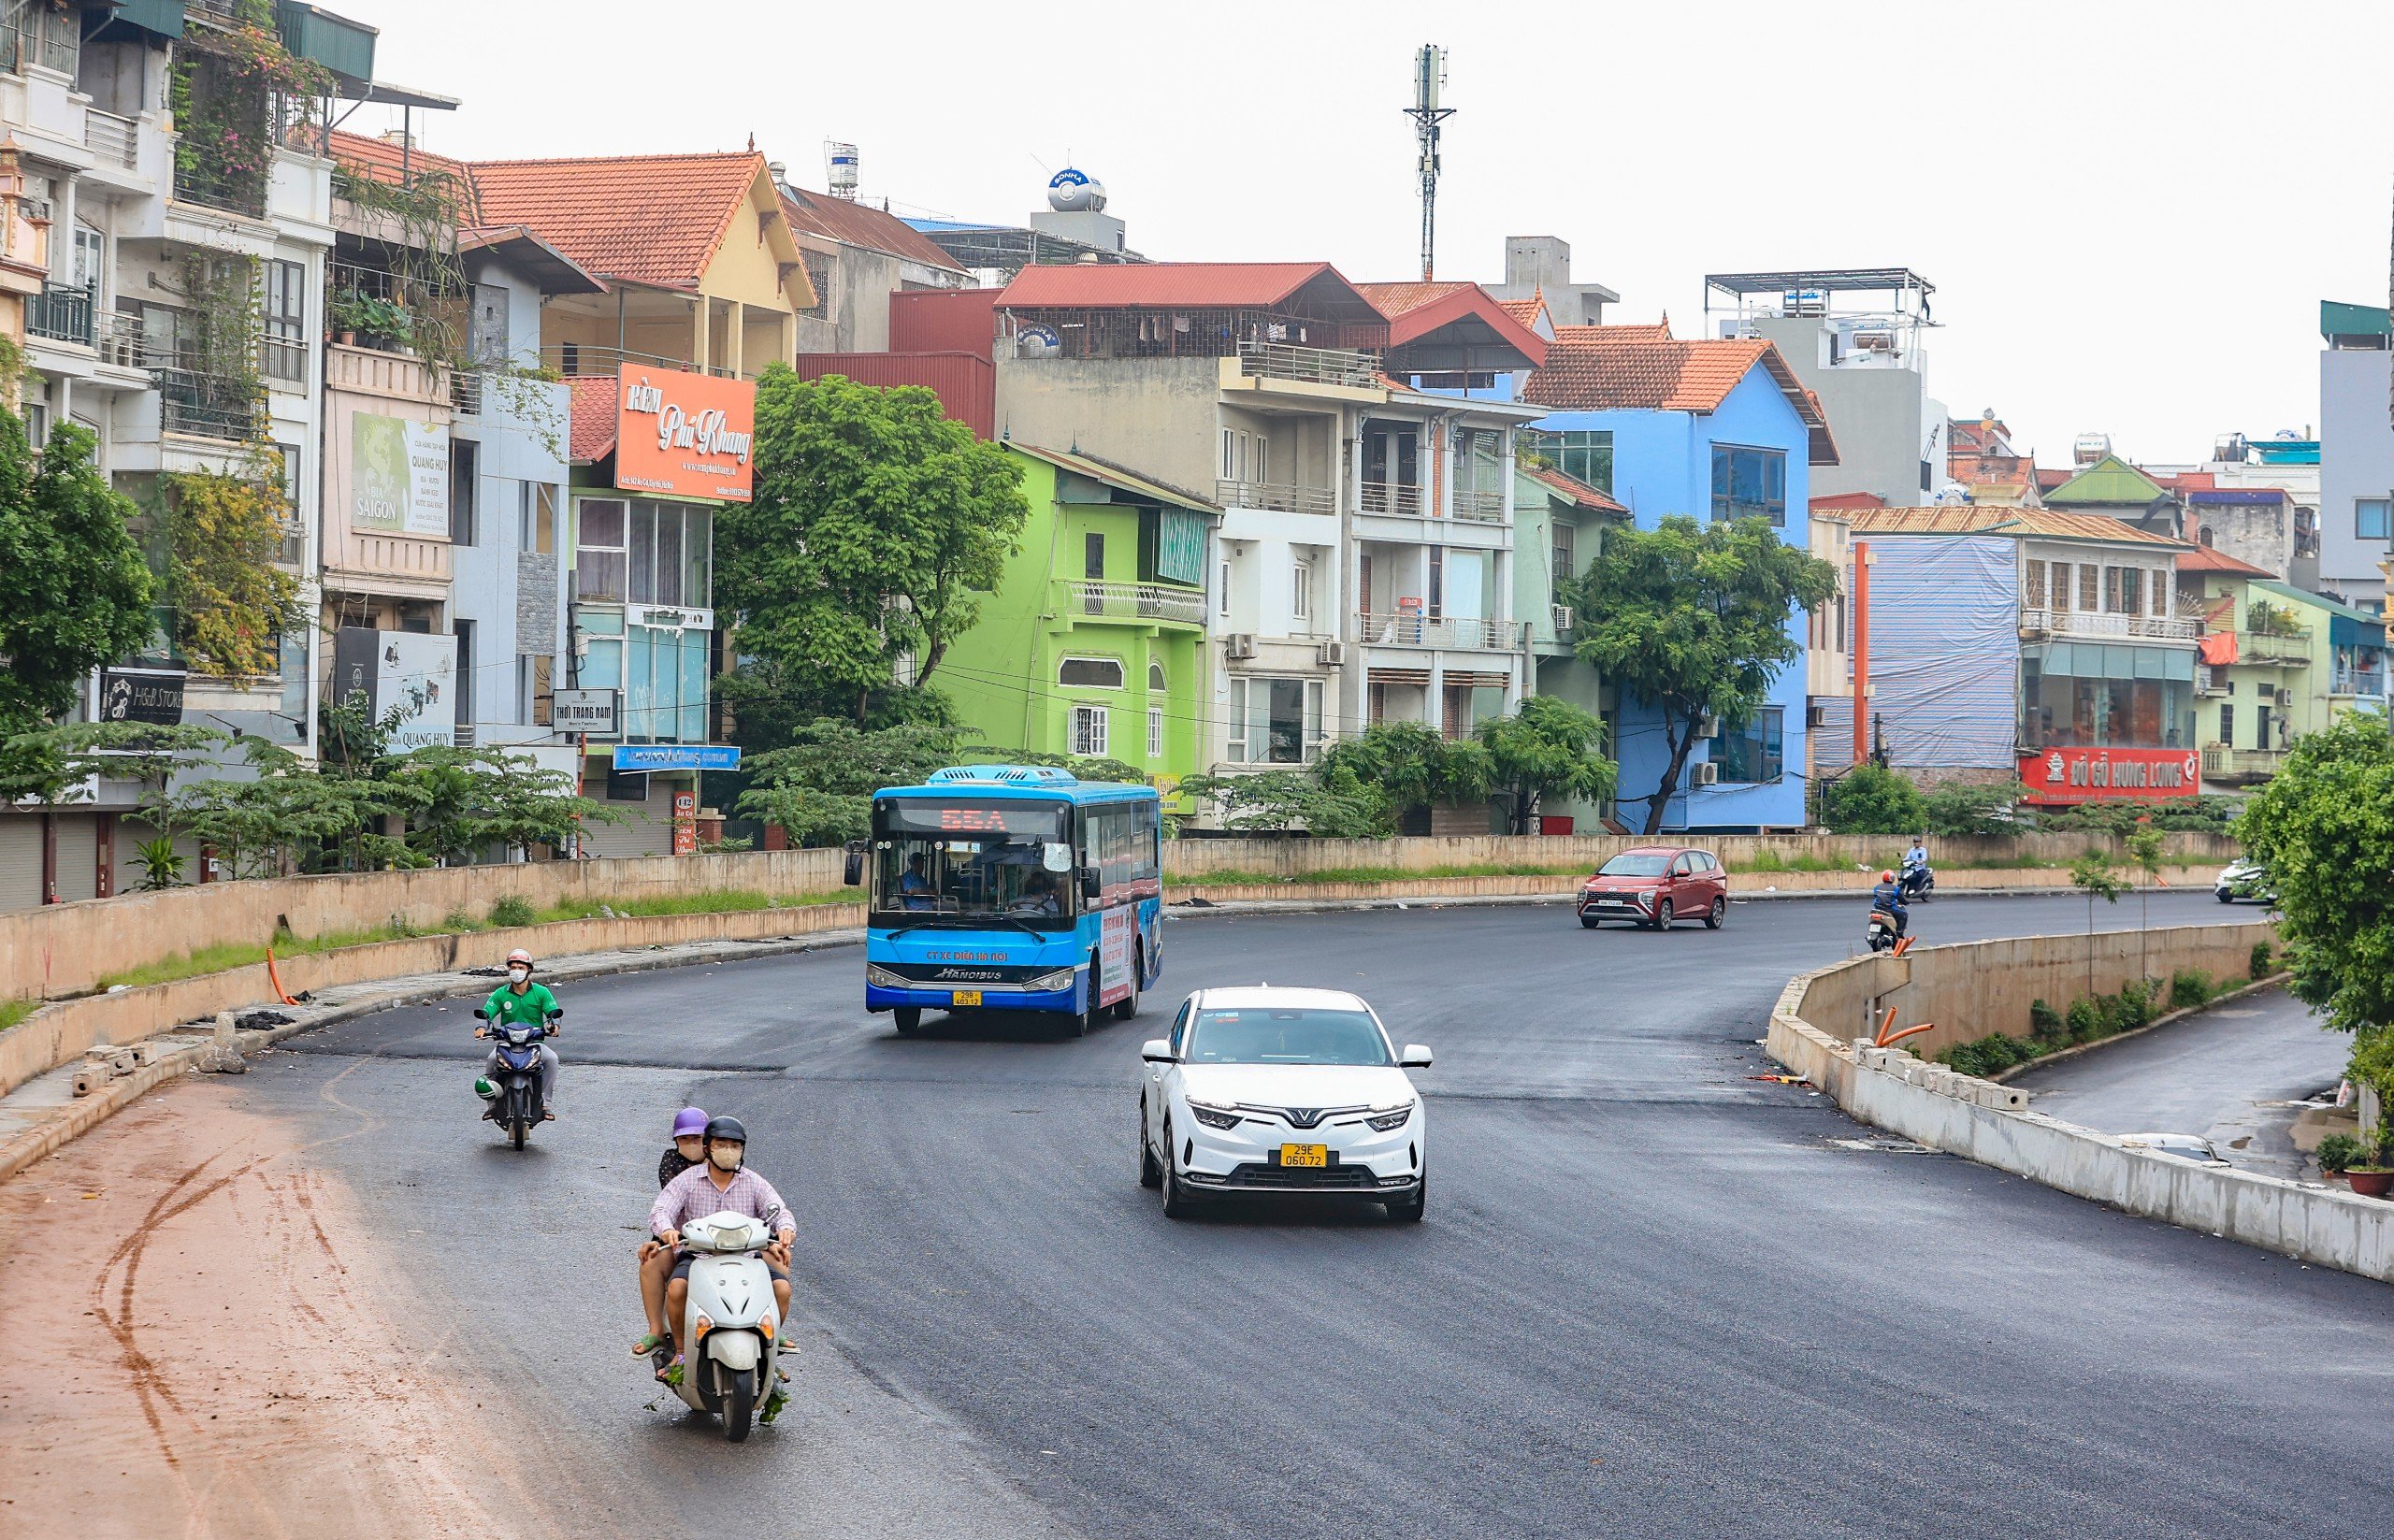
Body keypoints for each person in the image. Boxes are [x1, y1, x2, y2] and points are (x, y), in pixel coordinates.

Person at [647, 1115, 797, 1378]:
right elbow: (662, 1209)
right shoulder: (688, 1180)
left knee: (781, 1289)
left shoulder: (753, 1182)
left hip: (747, 1260)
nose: (729, 1151)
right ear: (708, 1147)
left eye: (735, 1145)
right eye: (721, 1144)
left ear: (742, 1150)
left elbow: (779, 1210)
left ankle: (767, 1350)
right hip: (699, 1258)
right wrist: (668, 1229)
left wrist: (785, 1229)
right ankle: (681, 1353)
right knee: (677, 1288)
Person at [632, 1108, 710, 1360]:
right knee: (651, 1262)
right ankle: (657, 1330)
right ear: (676, 1141)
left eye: (697, 1139)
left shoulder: (729, 1164)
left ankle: (770, 1343)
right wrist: (664, 1233)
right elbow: (669, 1204)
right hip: (683, 1238)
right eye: (685, 1139)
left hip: (727, 1242)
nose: (691, 1144)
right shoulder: (674, 1166)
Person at [476, 947, 560, 1118]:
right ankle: (492, 1105)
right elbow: (487, 1012)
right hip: (507, 1042)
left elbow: (553, 1011)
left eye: (521, 968)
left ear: (529, 969)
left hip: (534, 1043)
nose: (516, 971)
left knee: (552, 1059)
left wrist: (554, 1025)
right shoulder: (501, 994)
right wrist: (481, 1028)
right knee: (492, 1060)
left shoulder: (541, 992)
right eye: (513, 967)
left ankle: (545, 1104)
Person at [1870, 868, 1910, 939]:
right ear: (1892, 878)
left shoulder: (1876, 887)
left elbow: (1875, 895)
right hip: (1889, 909)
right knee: (1904, 914)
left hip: (1877, 909)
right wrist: (1906, 902)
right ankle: (1899, 933)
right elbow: (1901, 898)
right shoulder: (1895, 889)